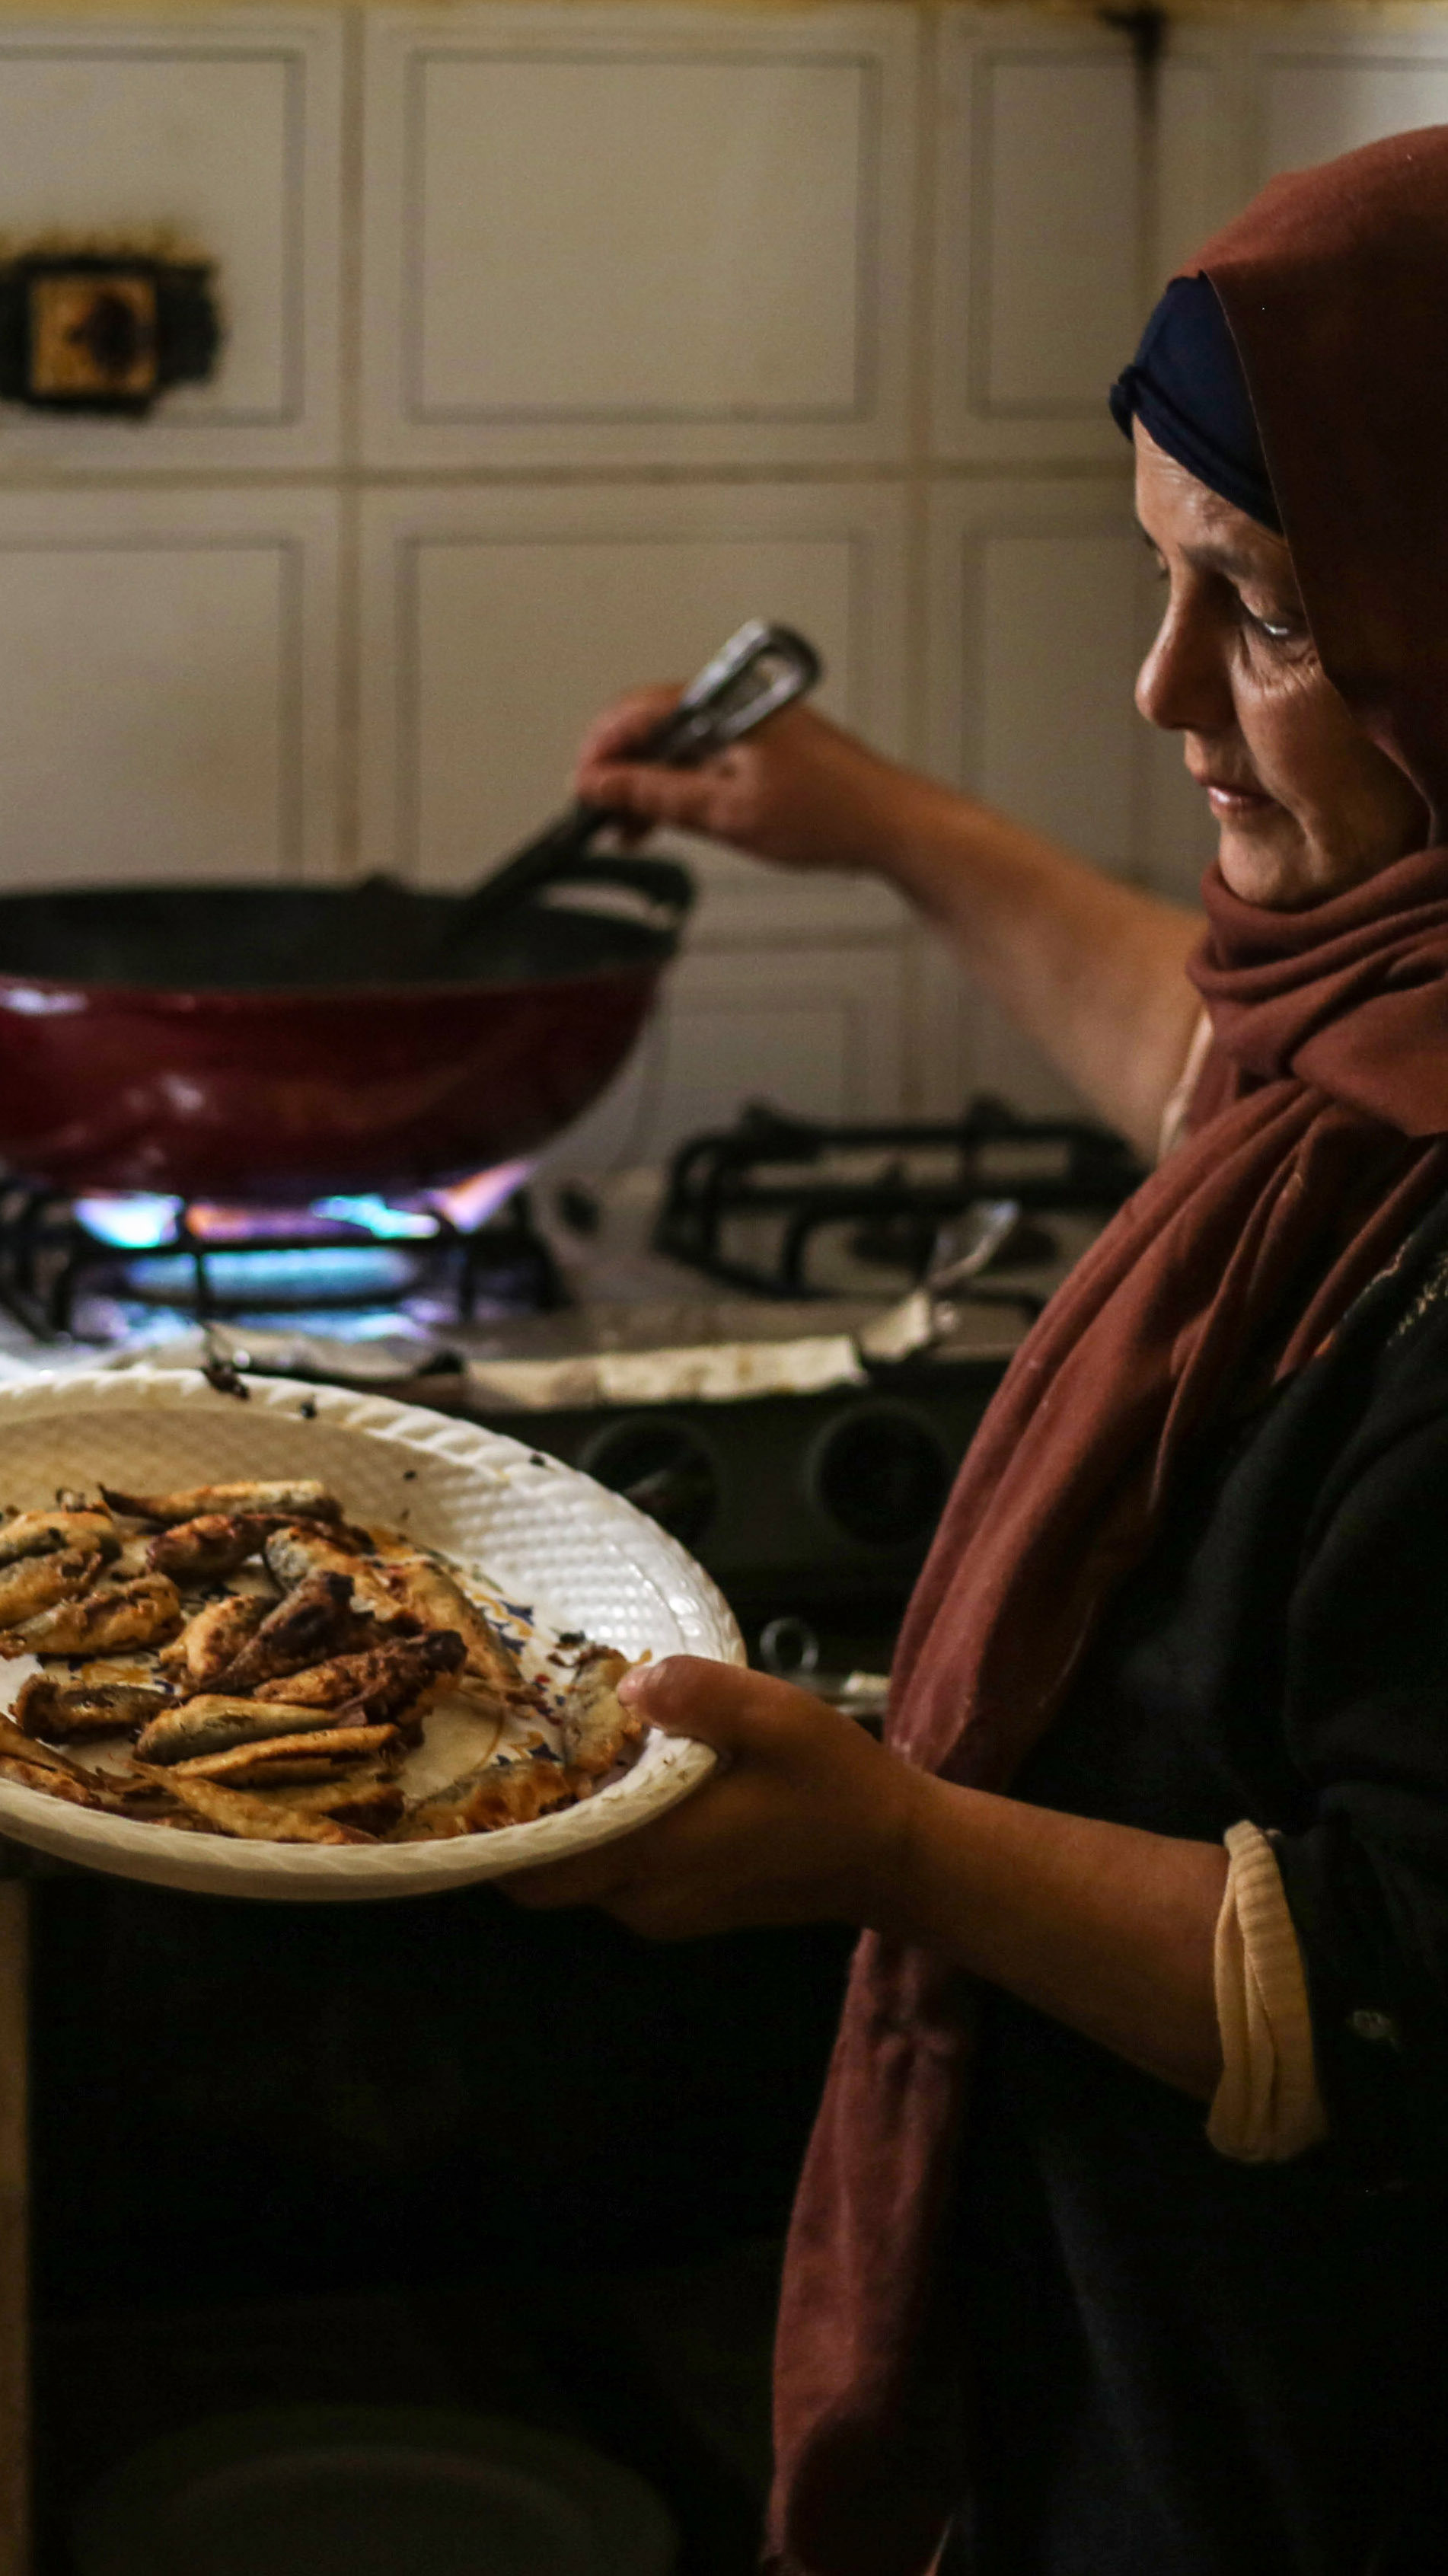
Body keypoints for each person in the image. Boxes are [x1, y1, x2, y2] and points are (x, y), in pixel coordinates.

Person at [511, 129, 1448, 2575]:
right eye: (1162, 583)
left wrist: (889, 1842)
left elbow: (1396, 1982)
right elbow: (1247, 1091)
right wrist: (884, 828)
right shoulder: (1389, 1014)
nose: (1155, 696)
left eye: (1253, 610)